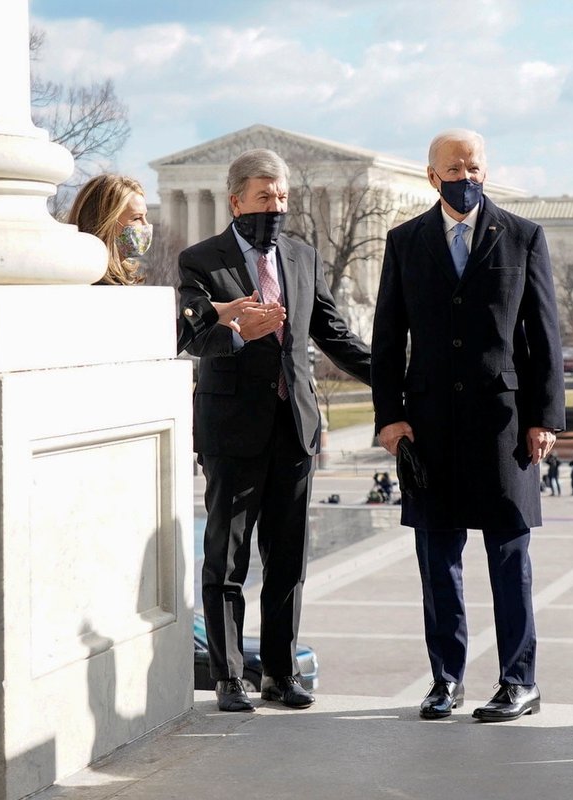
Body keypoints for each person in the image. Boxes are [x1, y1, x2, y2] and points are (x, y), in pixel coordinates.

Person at [372, 128, 564, 722]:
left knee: (510, 558)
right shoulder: (404, 241)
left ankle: (519, 681)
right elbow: (386, 338)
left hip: (504, 426)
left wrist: (544, 418)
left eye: (475, 164)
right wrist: (391, 416)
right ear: (432, 176)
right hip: (428, 427)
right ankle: (446, 680)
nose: (467, 175)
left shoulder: (524, 236)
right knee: (438, 560)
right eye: (454, 166)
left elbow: (545, 334)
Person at [178, 149, 372, 713]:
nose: (276, 207)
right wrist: (235, 327)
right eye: (265, 197)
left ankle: (282, 676)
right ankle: (229, 676)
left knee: (287, 561)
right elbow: (190, 337)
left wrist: (399, 380)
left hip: (294, 430)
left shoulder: (303, 256)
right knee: (228, 560)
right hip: (232, 433)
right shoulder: (199, 260)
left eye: (282, 197)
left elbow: (334, 334)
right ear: (236, 199)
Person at [69, 173, 246, 351]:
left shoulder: (109, 280)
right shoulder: (94, 284)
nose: (147, 225)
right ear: (106, 222)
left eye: (146, 216)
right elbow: (147, 341)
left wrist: (210, 315)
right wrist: (205, 313)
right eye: (137, 218)